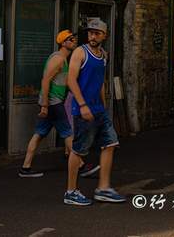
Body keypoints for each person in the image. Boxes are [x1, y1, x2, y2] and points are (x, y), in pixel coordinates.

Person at [63, 18, 125, 206]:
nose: (93, 36)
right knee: (79, 149)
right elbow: (71, 81)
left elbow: (100, 82)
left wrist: (104, 106)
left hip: (98, 109)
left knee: (110, 143)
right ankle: (71, 191)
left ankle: (103, 188)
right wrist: (82, 105)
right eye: (90, 32)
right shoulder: (80, 52)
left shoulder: (103, 55)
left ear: (104, 36)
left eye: (97, 33)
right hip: (83, 108)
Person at [18, 30, 79, 177]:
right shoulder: (58, 59)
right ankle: (81, 165)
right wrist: (45, 105)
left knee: (39, 134)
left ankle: (25, 168)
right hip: (53, 103)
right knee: (68, 133)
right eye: (71, 39)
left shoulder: (64, 59)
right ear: (63, 43)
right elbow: (45, 80)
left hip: (53, 102)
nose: (74, 41)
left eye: (74, 39)